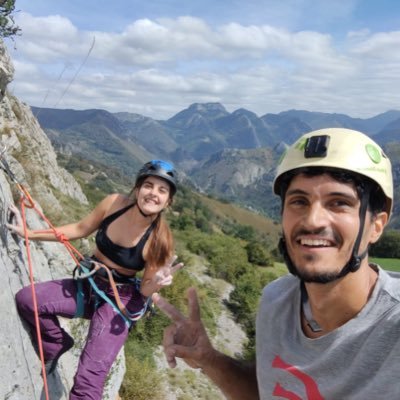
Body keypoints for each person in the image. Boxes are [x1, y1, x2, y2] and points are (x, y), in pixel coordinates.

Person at [152, 128, 400, 400]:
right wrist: (209, 359)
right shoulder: (276, 301)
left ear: (376, 226)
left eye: (339, 203)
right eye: (299, 202)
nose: (312, 220)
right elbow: (269, 391)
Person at [7, 159, 184, 400]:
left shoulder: (160, 240)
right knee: (28, 300)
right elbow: (80, 228)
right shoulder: (114, 204)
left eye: (162, 190)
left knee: (88, 381)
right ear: (138, 188)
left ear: (168, 201)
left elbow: (145, 290)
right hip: (88, 284)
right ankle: (55, 344)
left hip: (119, 301)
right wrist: (29, 233)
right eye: (148, 185)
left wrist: (157, 282)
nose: (153, 193)